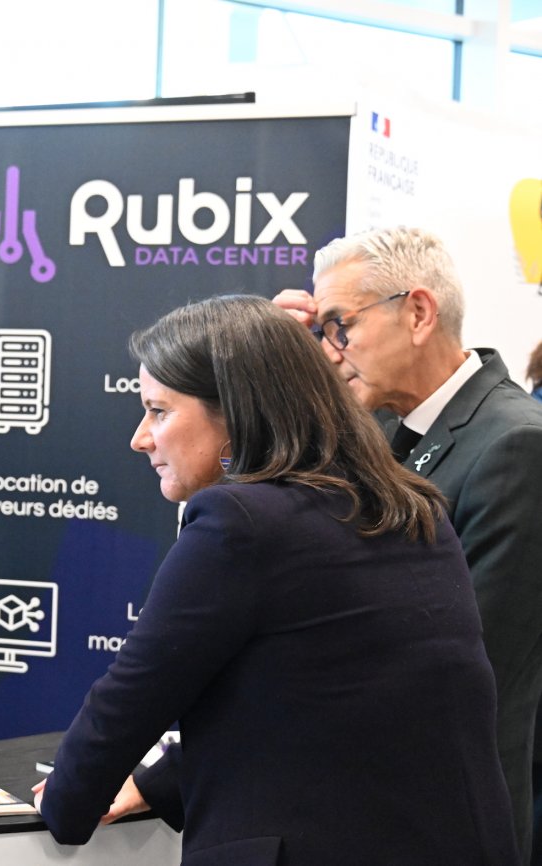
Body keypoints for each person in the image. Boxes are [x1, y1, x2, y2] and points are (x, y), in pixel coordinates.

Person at [35, 294, 517, 864]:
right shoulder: (412, 506)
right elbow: (327, 707)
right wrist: (157, 784)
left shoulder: (239, 521)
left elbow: (133, 695)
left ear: (235, 413)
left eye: (159, 411)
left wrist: (65, 805)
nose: (141, 437)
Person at [274, 226, 542, 859]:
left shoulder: (515, 445)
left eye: (339, 326)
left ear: (418, 313)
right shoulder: (378, 430)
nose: (330, 352)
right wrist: (278, 371)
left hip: (441, 818)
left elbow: (463, 667)